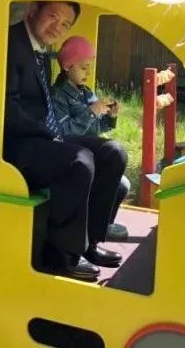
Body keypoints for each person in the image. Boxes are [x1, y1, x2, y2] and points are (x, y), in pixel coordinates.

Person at [3, 1, 127, 282]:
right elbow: (7, 109)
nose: (57, 27)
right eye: (52, 17)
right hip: (15, 142)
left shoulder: (40, 51)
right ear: (33, 10)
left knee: (113, 152)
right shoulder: (10, 43)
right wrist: (50, 134)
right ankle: (61, 254)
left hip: (41, 137)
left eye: (65, 24)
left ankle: (89, 241)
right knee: (78, 161)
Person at [50, 35, 131, 242]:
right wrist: (92, 112)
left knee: (123, 185)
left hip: (91, 153)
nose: (88, 72)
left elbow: (96, 128)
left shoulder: (85, 92)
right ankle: (94, 228)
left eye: (90, 67)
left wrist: (110, 117)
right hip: (74, 158)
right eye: (83, 67)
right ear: (67, 66)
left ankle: (103, 224)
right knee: (118, 181)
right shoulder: (58, 95)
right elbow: (64, 132)